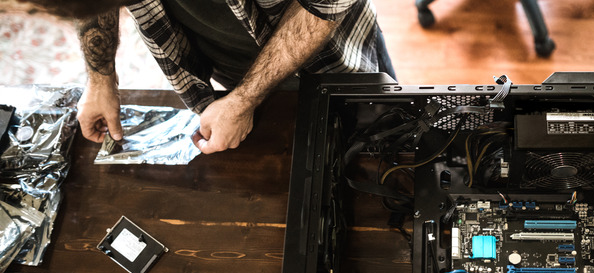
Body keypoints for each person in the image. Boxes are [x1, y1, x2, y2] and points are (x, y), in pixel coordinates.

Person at [27, 0, 395, 154]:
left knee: (387, 143)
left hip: (336, 58)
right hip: (234, 75)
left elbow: (325, 4)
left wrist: (244, 98)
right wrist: (100, 77)